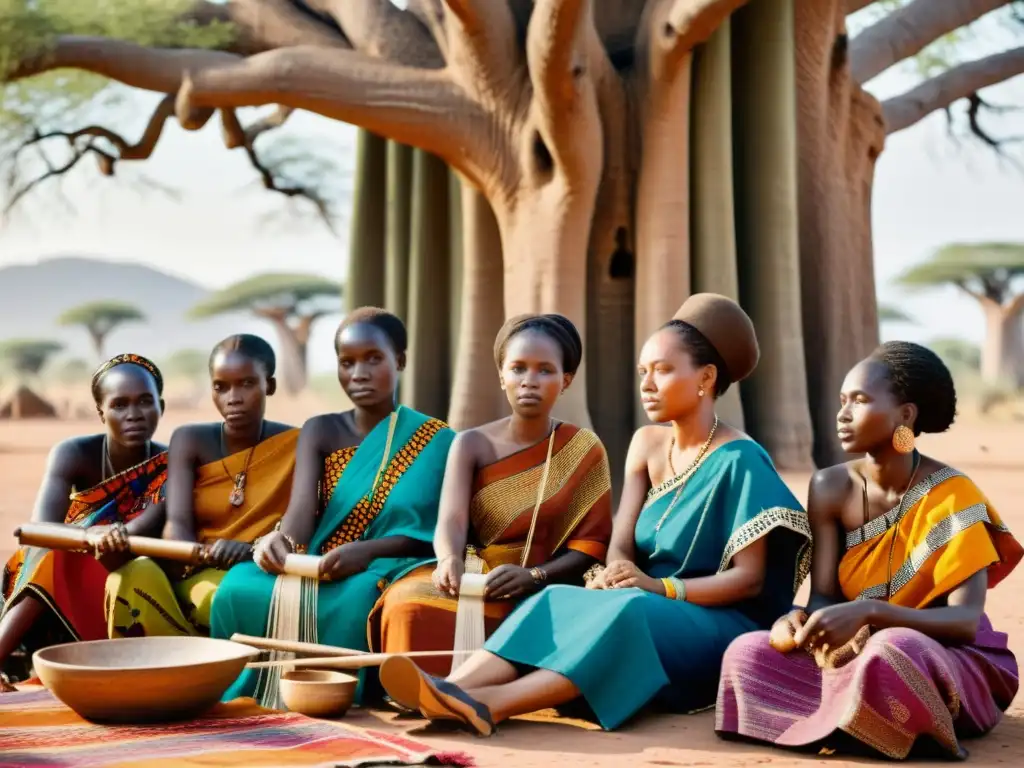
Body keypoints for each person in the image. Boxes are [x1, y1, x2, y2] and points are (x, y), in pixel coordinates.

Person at [377, 293, 812, 735]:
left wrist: (656, 586)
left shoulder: (741, 458)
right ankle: (452, 687)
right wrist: (618, 570)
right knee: (554, 598)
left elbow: (749, 580)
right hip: (641, 600)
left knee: (629, 610)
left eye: (662, 370)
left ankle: (492, 704)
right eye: (643, 371)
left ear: (706, 377)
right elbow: (620, 542)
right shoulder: (646, 444)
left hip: (714, 621)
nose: (647, 384)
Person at [716, 341, 1023, 760]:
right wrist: (799, 620)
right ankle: (856, 717)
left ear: (906, 415)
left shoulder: (954, 494)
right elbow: (825, 598)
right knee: (747, 653)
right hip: (855, 653)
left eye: (859, 400)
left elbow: (965, 622)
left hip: (942, 656)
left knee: (891, 651)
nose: (842, 413)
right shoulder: (830, 486)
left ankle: (869, 714)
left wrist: (870, 613)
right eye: (842, 400)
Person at [210, 308, 456, 707]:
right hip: (320, 560)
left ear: (400, 361)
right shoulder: (320, 429)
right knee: (236, 587)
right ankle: (245, 695)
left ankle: (335, 696)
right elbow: (300, 516)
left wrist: (367, 550)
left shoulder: (438, 439)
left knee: (358, 596)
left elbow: (430, 532)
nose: (358, 373)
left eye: (373, 359)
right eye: (347, 362)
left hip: (386, 562)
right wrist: (279, 541)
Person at [372, 314, 613, 675]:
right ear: (502, 376)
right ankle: (415, 693)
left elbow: (590, 546)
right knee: (406, 604)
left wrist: (534, 576)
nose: (529, 381)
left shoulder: (584, 449)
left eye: (545, 370)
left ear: (566, 380)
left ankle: (474, 689)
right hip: (474, 578)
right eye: (518, 368)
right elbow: (451, 519)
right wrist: (448, 560)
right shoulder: (471, 443)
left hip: (546, 587)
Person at [104, 335, 298, 638]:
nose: (233, 397)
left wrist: (251, 551)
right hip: (192, 569)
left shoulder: (297, 444)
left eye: (246, 384)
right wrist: (198, 555)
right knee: (130, 576)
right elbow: (176, 521)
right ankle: (154, 673)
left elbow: (298, 532)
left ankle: (207, 670)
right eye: (221, 387)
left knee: (224, 595)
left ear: (269, 386)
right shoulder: (191, 439)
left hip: (258, 575)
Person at [0, 354, 168, 685]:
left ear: (161, 406)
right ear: (100, 412)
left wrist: (109, 537)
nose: (133, 414)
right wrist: (88, 537)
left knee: (60, 550)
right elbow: (40, 529)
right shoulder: (75, 453)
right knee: (52, 550)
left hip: (133, 572)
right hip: (63, 572)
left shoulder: (172, 462)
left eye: (145, 402)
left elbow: (147, 527)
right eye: (119, 405)